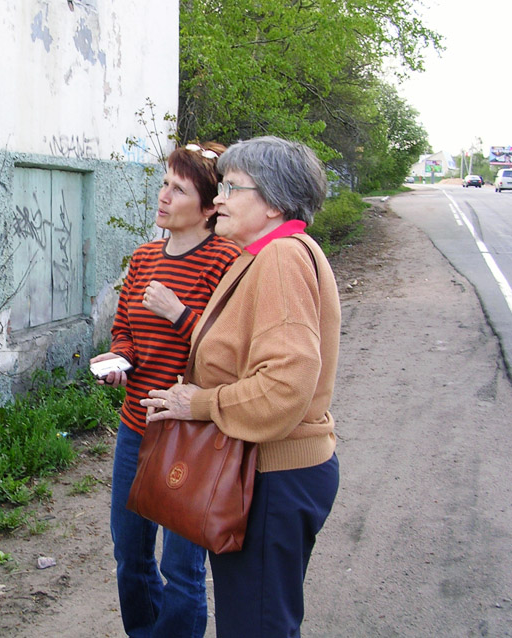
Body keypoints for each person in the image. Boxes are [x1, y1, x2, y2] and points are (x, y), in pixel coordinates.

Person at [141, 136, 340, 638]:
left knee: (256, 626)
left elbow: (285, 385)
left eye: (232, 187)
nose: (220, 198)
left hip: (273, 475)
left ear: (273, 203)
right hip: (268, 472)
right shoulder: (266, 254)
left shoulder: (281, 258)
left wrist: (200, 403)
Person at [91, 142, 242, 638]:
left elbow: (230, 352)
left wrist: (178, 312)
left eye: (179, 189)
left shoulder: (226, 261)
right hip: (137, 427)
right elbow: (125, 331)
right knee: (130, 553)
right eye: (164, 183)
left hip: (191, 435)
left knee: (181, 569)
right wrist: (120, 360)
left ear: (208, 208)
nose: (163, 195)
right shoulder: (143, 258)